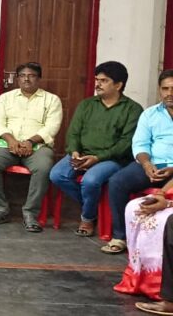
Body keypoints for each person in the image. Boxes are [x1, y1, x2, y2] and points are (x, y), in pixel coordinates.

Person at [49, 61, 143, 236]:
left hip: (113, 159)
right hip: (82, 154)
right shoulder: (87, 105)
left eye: (104, 80)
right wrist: (74, 152)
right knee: (57, 175)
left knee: (90, 181)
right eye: (97, 80)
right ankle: (93, 206)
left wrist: (97, 158)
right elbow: (74, 133)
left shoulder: (133, 109)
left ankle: (88, 217)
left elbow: (125, 143)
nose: (98, 84)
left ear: (118, 85)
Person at [0, 62, 63, 232]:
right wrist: (11, 140)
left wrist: (30, 142)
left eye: (31, 75)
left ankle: (30, 213)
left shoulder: (52, 100)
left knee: (43, 167)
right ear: (17, 79)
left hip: (38, 146)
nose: (27, 79)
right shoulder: (5, 98)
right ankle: (0, 209)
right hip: (7, 144)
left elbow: (52, 127)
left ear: (39, 79)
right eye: (23, 75)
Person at [105, 69, 173, 254]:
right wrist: (146, 164)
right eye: (165, 88)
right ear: (159, 90)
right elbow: (141, 144)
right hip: (152, 165)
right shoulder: (150, 114)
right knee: (117, 181)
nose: (170, 93)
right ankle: (120, 236)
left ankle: (162, 244)